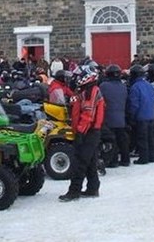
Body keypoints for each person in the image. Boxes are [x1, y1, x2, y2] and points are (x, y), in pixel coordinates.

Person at [59, 70, 104, 202]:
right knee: (90, 161)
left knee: (80, 162)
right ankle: (92, 188)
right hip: (89, 130)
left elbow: (88, 114)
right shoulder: (87, 91)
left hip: (88, 131)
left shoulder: (91, 91)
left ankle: (74, 191)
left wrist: (79, 131)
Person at [99, 64, 130, 167]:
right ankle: (126, 159)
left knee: (112, 140)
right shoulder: (123, 86)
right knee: (122, 139)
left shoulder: (104, 86)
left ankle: (113, 160)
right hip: (121, 116)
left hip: (108, 117)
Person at [128, 65, 154, 164]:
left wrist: (131, 116)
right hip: (151, 114)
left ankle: (143, 158)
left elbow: (134, 104)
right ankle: (152, 156)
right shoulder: (149, 84)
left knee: (142, 138)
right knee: (151, 137)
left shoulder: (135, 87)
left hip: (141, 116)